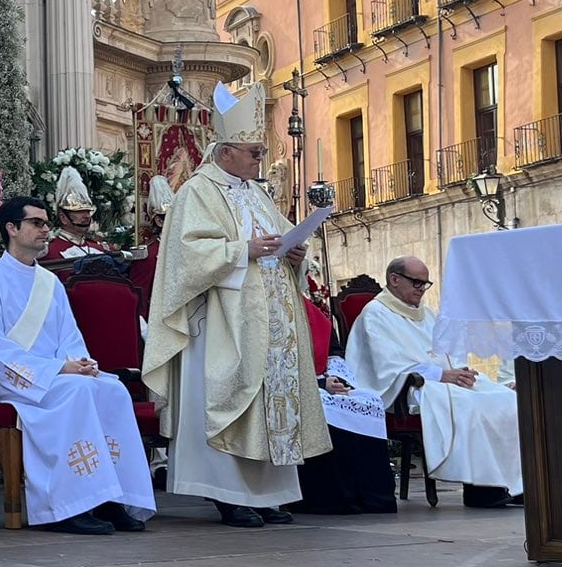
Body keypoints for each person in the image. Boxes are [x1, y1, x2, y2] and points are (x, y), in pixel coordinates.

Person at [142, 83, 330, 526]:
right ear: (225, 152)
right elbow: (185, 256)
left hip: (270, 318)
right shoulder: (197, 192)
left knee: (270, 400)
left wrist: (295, 253)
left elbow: (280, 240)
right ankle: (226, 492)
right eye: (253, 152)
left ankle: (267, 494)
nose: (260, 160)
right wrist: (241, 250)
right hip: (222, 321)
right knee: (228, 399)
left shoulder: (258, 193)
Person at [0, 195, 155, 535]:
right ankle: (66, 506)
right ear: (12, 228)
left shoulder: (49, 282)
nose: (45, 230)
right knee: (76, 392)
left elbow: (69, 336)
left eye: (46, 223)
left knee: (111, 389)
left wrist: (79, 363)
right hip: (7, 379)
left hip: (56, 375)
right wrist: (56, 371)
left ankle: (111, 497)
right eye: (36, 223)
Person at [345, 256, 523, 508]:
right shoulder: (375, 314)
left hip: (441, 380)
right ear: (394, 280)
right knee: (471, 405)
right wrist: (441, 375)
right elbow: (387, 366)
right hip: (410, 387)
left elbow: (448, 350)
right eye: (416, 282)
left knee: (505, 398)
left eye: (425, 284)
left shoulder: (427, 313)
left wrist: (457, 371)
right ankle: (480, 490)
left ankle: (515, 483)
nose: (421, 289)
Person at [294, 294, 396, 515]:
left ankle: (373, 497)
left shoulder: (314, 313)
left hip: (325, 379)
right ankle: (332, 498)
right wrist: (319, 383)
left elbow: (335, 352)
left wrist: (336, 378)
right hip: (296, 385)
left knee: (369, 401)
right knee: (322, 406)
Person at [43, 166, 113, 263]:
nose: (87, 216)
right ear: (63, 218)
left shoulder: (100, 248)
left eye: (88, 211)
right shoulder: (49, 251)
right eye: (80, 211)